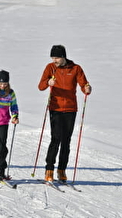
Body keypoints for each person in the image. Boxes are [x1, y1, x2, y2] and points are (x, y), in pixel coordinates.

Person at [38, 45, 92, 183]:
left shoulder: (76, 68)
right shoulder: (50, 68)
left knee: (66, 141)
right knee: (55, 139)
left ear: (63, 57)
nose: (54, 60)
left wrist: (87, 89)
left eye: (56, 57)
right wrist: (48, 82)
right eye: (52, 57)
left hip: (70, 109)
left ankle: (61, 170)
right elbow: (41, 86)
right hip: (55, 108)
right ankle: (49, 169)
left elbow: (83, 84)